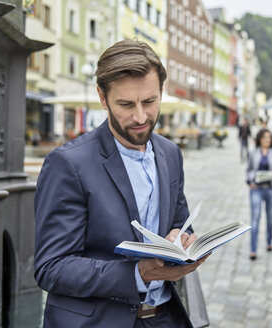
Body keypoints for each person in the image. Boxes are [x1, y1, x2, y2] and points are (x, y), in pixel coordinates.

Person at [34, 40, 208, 328]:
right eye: (126, 104)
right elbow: (52, 268)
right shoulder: (68, 164)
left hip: (166, 318)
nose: (140, 116)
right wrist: (139, 274)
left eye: (150, 102)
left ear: (161, 92)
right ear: (103, 98)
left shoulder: (170, 153)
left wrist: (183, 238)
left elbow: (181, 220)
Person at [246, 129, 272, 260]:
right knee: (255, 218)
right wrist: (250, 181)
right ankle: (253, 249)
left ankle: (269, 241)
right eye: (265, 137)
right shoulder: (253, 152)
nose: (267, 140)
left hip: (271, 188)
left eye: (269, 138)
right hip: (256, 189)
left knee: (270, 217)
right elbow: (248, 170)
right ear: (259, 139)